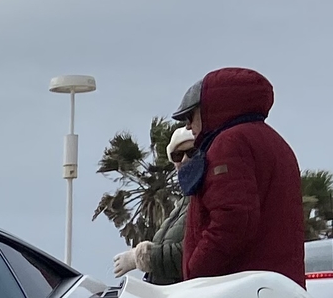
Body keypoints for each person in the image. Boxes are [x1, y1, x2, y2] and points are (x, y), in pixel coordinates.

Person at [175, 66, 304, 284]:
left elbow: (234, 219)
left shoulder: (229, 144)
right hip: (274, 289)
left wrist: (196, 271)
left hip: (237, 292)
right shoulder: (274, 141)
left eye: (191, 115)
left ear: (210, 109)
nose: (188, 126)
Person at [110, 122, 203, 284]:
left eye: (192, 152)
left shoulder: (204, 198)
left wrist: (140, 257)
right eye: (177, 155)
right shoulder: (184, 203)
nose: (185, 159)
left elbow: (190, 254)